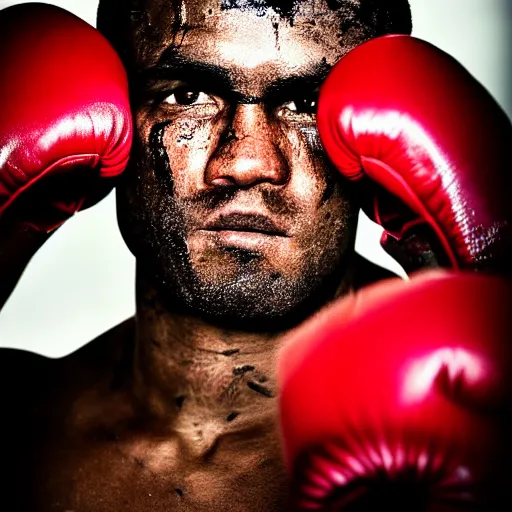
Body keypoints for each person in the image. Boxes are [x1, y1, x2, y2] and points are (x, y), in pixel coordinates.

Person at [0, 1, 413, 511]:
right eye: (188, 95)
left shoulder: (468, 426)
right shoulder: (17, 426)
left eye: (307, 103)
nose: (247, 162)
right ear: (105, 111)